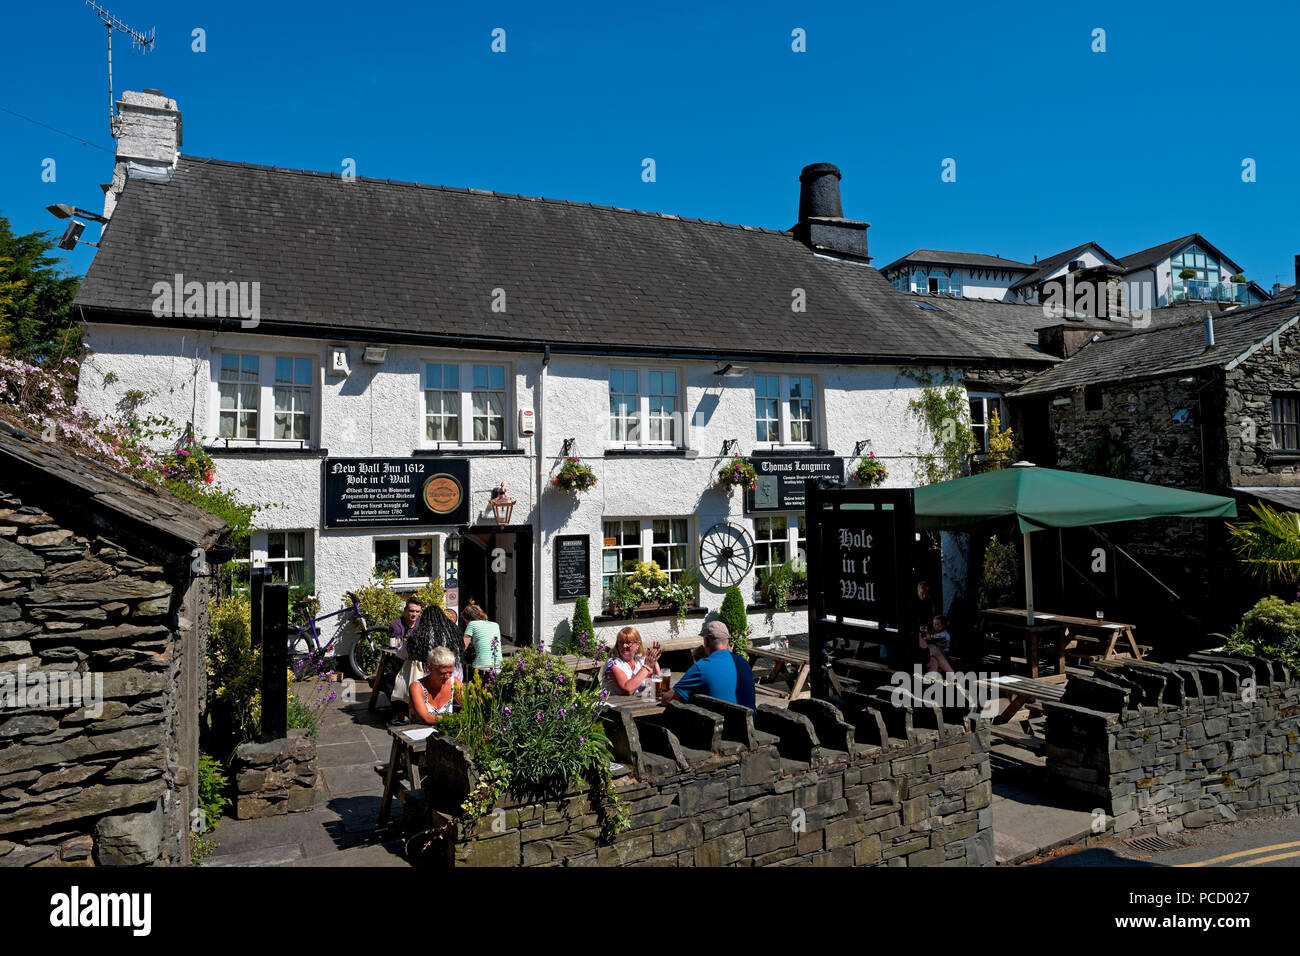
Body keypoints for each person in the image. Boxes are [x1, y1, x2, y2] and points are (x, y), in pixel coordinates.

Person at [662, 620, 748, 707]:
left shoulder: (702, 667)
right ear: (727, 641)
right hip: (746, 719)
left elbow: (666, 700)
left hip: (718, 719)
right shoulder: (743, 663)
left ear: (706, 641)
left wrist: (699, 661)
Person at [385, 597, 422, 726]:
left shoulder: (421, 624)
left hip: (421, 666)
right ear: (405, 609)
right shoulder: (396, 625)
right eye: (412, 611)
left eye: (417, 612)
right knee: (390, 680)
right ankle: (402, 714)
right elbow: (395, 648)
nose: (414, 615)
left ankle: (418, 711)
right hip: (400, 664)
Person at [409, 646, 462, 725]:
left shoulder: (454, 683)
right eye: (443, 673)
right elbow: (425, 718)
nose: (447, 676)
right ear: (430, 669)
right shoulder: (417, 687)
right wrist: (456, 719)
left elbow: (469, 706)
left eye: (450, 672)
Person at [602, 626, 662, 696]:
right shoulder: (613, 663)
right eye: (621, 642)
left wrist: (654, 661)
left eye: (628, 643)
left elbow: (657, 683)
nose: (624, 646)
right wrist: (647, 666)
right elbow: (627, 689)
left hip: (636, 703)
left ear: (637, 645)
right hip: (613, 704)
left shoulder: (640, 660)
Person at [462, 600, 503, 672]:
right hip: (498, 665)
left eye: (465, 622)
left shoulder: (472, 624)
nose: (466, 624)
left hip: (481, 666)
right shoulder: (495, 625)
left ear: (468, 619)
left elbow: (462, 647)